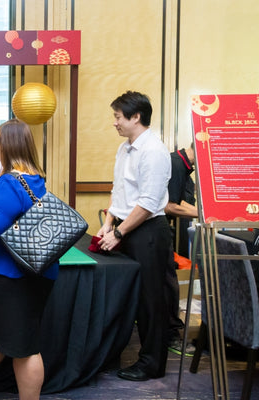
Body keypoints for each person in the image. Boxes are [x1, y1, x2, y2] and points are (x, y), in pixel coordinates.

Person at [0, 119, 58, 400]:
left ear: (5, 146)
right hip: (39, 269)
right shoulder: (36, 179)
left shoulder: (8, 182)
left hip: (14, 277)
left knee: (24, 346)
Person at [97, 91, 173, 381]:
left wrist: (119, 232)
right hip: (126, 226)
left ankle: (152, 364)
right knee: (131, 296)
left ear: (135, 117)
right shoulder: (125, 149)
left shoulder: (154, 150)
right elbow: (119, 191)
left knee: (152, 301)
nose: (114, 122)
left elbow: (149, 202)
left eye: (117, 116)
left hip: (148, 231)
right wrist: (108, 222)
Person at [165, 143, 198, 356]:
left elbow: (183, 202)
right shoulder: (176, 164)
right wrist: (204, 214)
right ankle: (171, 336)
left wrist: (201, 211)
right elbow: (169, 205)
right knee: (169, 285)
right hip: (153, 230)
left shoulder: (183, 166)